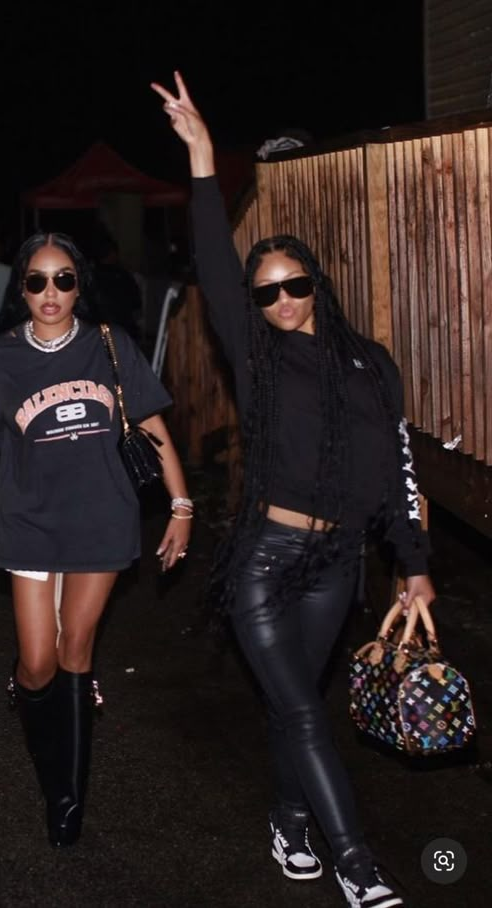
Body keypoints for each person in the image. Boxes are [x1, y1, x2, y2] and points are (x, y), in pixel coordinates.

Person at [151, 73, 434, 908]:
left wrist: (412, 564)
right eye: (264, 291)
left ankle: (287, 817)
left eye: (292, 286)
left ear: (317, 286)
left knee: (294, 706)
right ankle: (358, 863)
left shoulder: (369, 364)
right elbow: (210, 256)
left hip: (339, 561)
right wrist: (203, 156)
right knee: (305, 715)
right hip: (267, 562)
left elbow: (397, 472)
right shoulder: (261, 358)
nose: (278, 302)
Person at [0, 231, 192, 847]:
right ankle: (32, 702)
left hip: (102, 519)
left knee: (74, 652)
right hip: (31, 521)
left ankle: (65, 797)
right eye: (36, 281)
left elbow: (150, 422)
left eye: (64, 278)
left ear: (79, 285)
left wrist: (182, 503)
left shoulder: (108, 347)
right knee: (37, 663)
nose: (51, 292)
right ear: (22, 290)